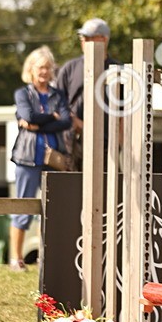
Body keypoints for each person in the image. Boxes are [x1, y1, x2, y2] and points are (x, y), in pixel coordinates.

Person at [10, 46, 71, 270]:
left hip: (54, 158)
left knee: (52, 209)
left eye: (48, 67)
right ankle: (16, 258)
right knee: (23, 207)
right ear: (31, 70)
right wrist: (49, 117)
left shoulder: (58, 94)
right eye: (41, 67)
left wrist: (37, 123)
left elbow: (65, 121)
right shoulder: (22, 93)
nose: (45, 72)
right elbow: (27, 115)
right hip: (27, 157)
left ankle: (46, 258)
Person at [54, 18, 119, 169]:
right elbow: (55, 102)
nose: (84, 41)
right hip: (73, 144)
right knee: (72, 189)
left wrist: (121, 138)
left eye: (89, 38)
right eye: (83, 38)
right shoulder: (70, 68)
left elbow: (128, 108)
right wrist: (74, 121)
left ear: (104, 39)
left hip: (107, 143)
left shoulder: (117, 69)